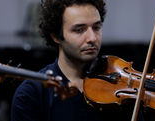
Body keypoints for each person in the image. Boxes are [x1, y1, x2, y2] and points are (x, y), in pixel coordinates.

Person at [11, 0, 145, 121]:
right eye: (79, 30)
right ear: (56, 36)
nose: (92, 38)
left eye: (96, 27)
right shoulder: (31, 94)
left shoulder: (121, 90)